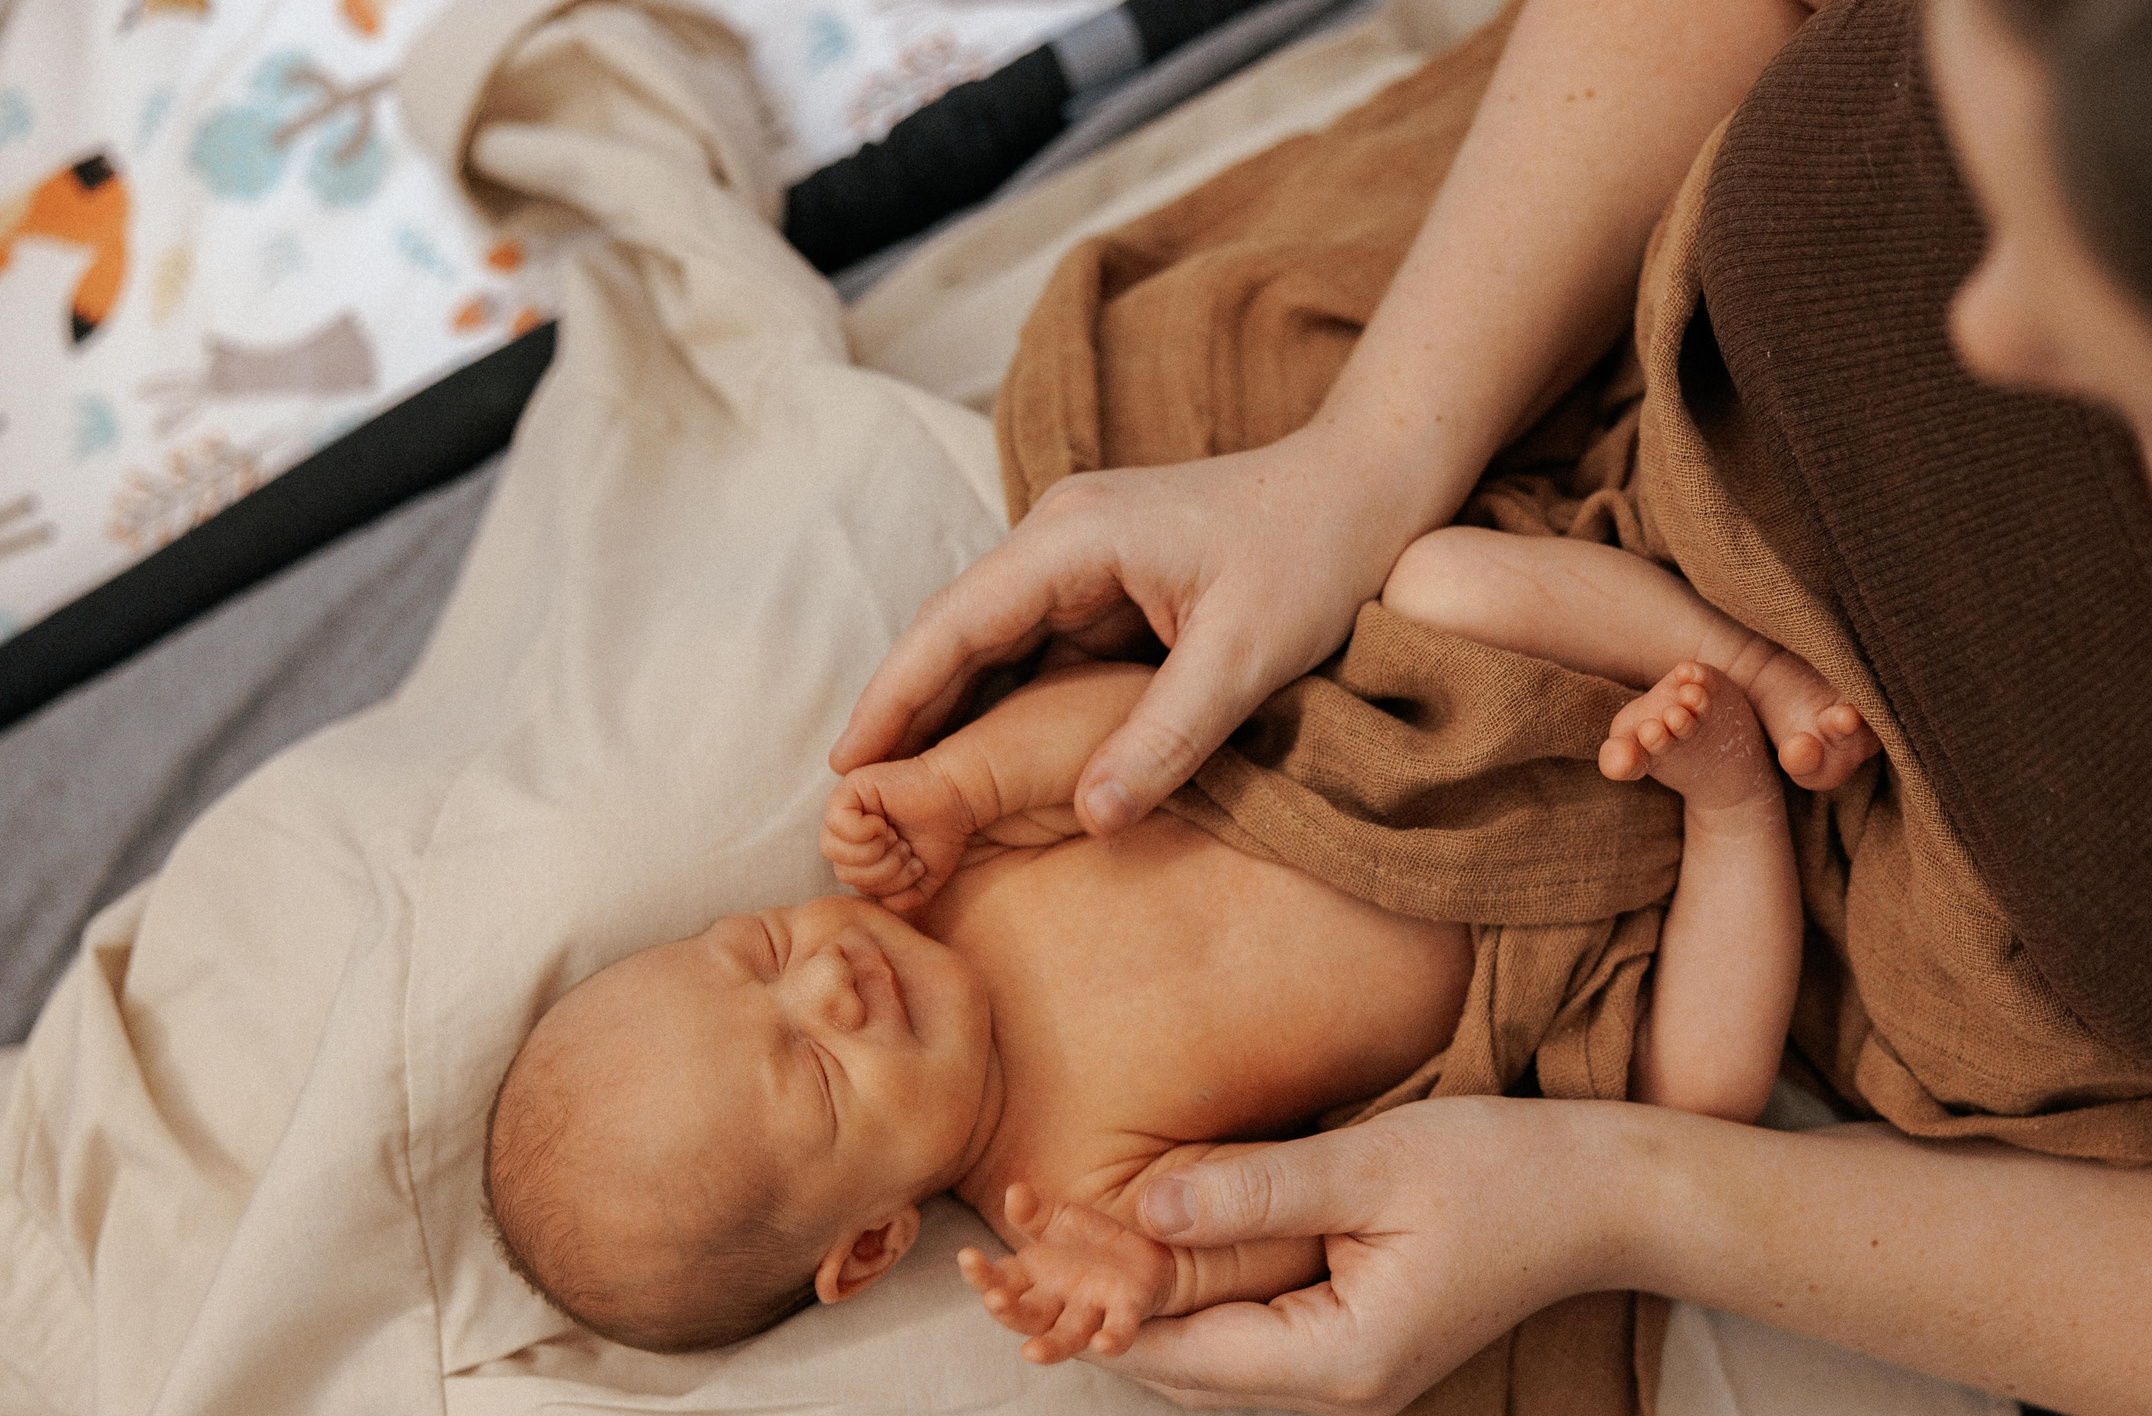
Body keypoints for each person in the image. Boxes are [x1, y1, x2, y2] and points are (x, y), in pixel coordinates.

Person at [831, 0, 2152, 1416]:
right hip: (1591, 522)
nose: (1986, 325)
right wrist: (1367, 459)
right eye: (1957, 107)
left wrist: (1620, 1199)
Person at [482, 532, 1860, 1358]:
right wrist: (1161, 1276)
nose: (827, 982)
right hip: (1553, 968)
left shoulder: (947, 886)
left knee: (1445, 577)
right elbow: (1287, 1219)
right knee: (1700, 1106)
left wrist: (964, 784)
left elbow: (1130, 730)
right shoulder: (1062, 1190)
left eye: (758, 951)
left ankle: (1745, 667)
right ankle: (1735, 798)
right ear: (870, 1244)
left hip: (1427, 747)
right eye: (817, 1073)